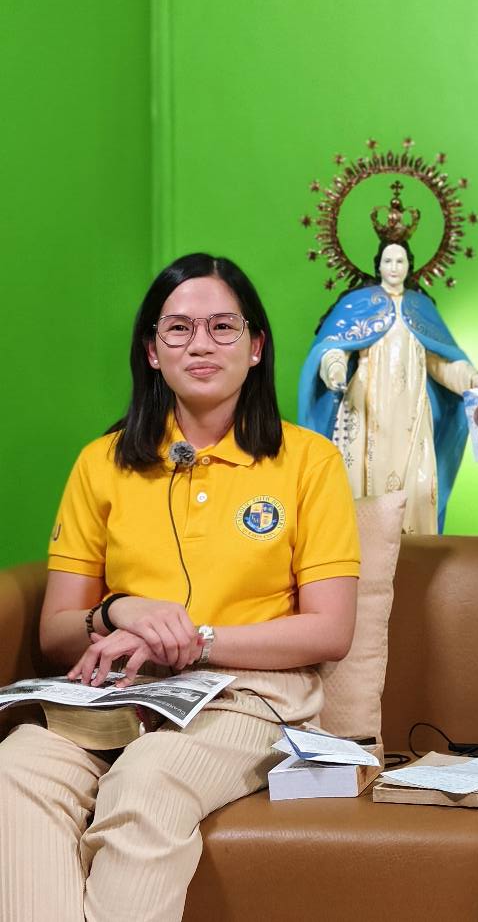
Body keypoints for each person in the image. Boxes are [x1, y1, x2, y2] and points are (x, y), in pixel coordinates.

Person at [0, 253, 360, 922]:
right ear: (152, 351)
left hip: (249, 699)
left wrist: (197, 641)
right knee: (15, 769)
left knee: (147, 780)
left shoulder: (310, 461)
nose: (200, 344)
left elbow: (330, 630)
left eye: (223, 327)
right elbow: (56, 632)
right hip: (118, 694)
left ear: (256, 347)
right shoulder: (101, 463)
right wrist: (118, 611)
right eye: (178, 328)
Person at [298, 237, 478, 534]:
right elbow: (335, 347)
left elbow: (440, 364)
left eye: (400, 261)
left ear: (409, 265)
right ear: (378, 265)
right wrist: (334, 367)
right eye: (387, 261)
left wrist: (475, 380)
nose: (393, 267)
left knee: (417, 491)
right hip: (368, 412)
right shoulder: (360, 303)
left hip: (412, 417)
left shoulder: (420, 308)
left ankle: (415, 558)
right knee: (367, 490)